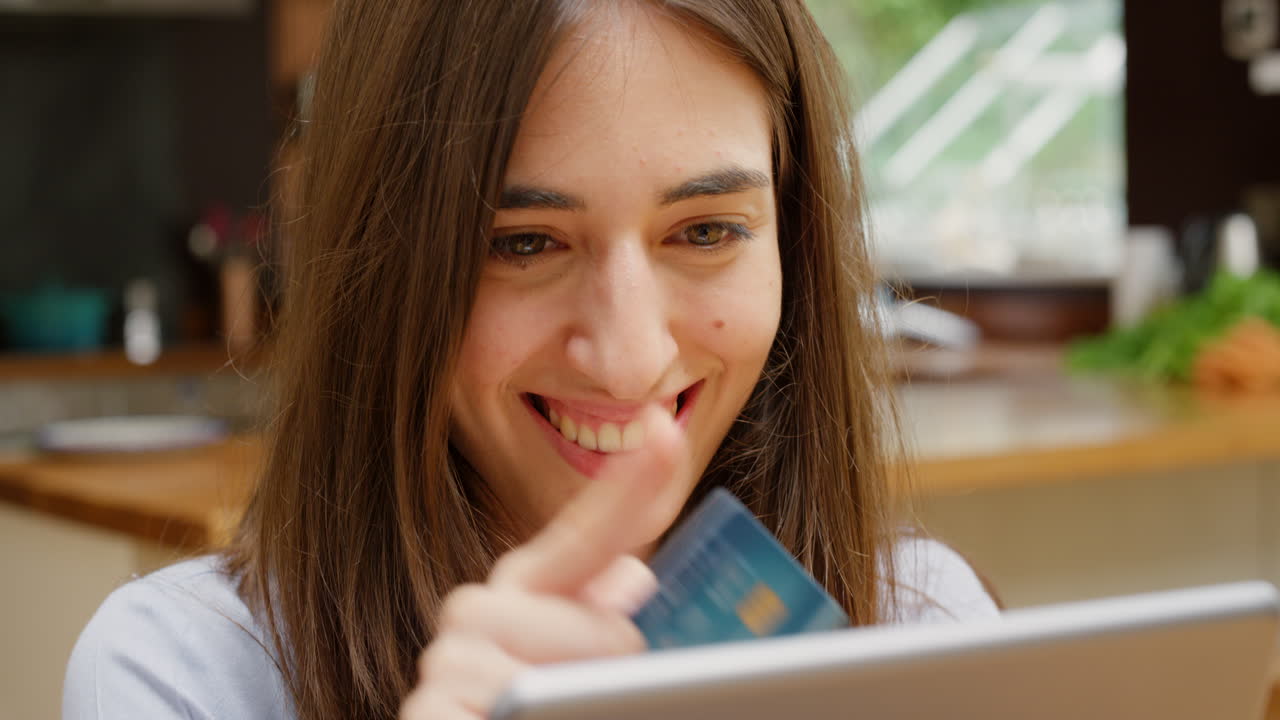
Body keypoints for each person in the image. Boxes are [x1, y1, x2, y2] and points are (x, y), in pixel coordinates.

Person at [64, 2, 999, 719]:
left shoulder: (922, 624)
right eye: (523, 244)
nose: (631, 361)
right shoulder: (184, 674)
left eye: (707, 230)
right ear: (384, 266)